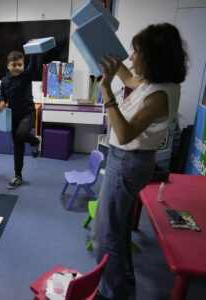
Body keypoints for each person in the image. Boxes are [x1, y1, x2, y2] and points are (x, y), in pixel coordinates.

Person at [91, 23, 188, 300]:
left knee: (104, 233)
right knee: (118, 225)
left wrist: (106, 90)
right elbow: (131, 79)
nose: (131, 59)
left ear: (155, 56)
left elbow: (123, 133)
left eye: (136, 52)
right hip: (131, 162)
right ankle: (125, 273)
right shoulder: (156, 83)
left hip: (127, 162)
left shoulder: (159, 95)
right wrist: (112, 58)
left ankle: (111, 292)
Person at [0, 47, 42, 189]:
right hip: (14, 117)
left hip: (28, 113)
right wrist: (2, 102)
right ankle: (18, 176)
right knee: (18, 146)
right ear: (8, 65)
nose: (17, 67)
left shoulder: (26, 76)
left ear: (23, 65)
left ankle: (35, 141)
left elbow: (34, 66)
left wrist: (33, 51)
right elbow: (3, 95)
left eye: (20, 64)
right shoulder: (4, 81)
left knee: (22, 134)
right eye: (14, 64)